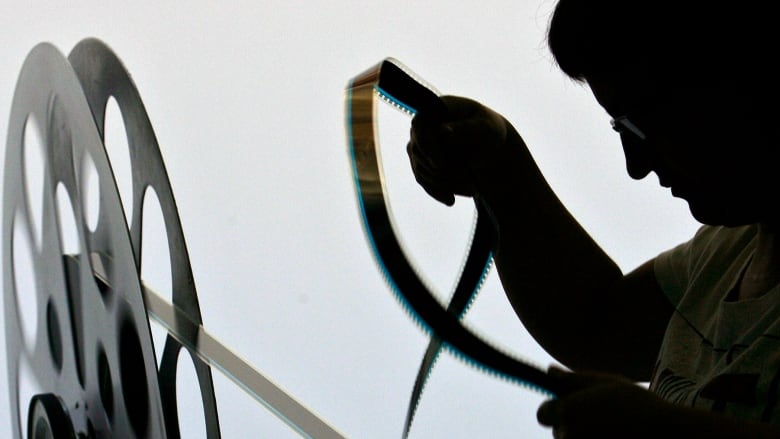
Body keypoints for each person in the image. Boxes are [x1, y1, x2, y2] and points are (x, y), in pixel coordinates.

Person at [406, 0, 780, 437]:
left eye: (641, 124)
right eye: (621, 129)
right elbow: (594, 325)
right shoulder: (727, 254)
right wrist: (500, 162)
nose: (636, 164)